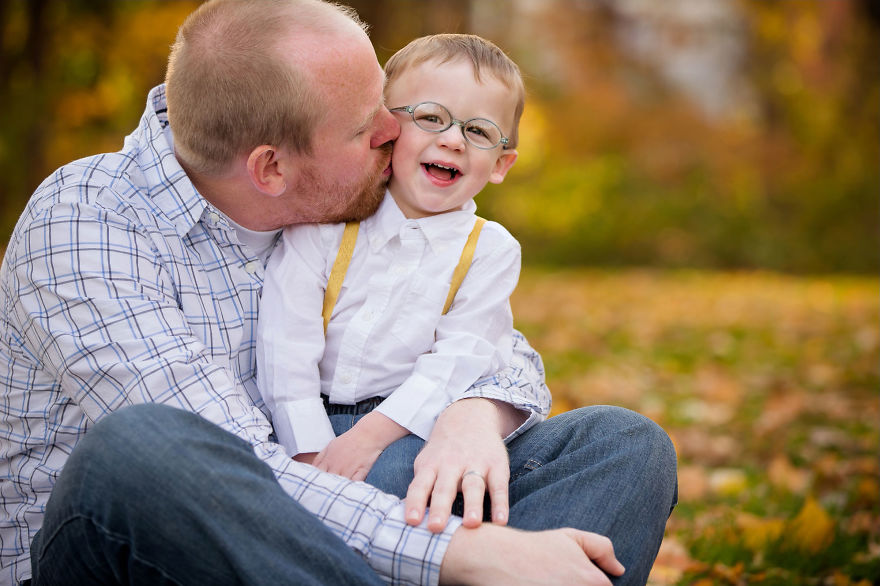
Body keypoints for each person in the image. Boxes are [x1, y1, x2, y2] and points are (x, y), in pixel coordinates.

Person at [0, 1, 677, 585]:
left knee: (620, 446)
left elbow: (482, 330)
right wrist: (462, 554)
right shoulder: (89, 223)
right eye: (366, 126)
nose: (397, 132)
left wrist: (477, 410)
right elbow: (244, 476)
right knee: (142, 449)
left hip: (333, 522)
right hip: (151, 545)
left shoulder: (339, 192)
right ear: (271, 168)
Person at [256, 33, 524, 486]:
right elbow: (286, 342)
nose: (454, 140)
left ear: (501, 163)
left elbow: (458, 360)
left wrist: (368, 440)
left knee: (402, 480)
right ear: (386, 129)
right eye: (431, 117)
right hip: (302, 422)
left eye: (478, 131)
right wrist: (308, 453)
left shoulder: (490, 250)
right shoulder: (327, 222)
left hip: (408, 428)